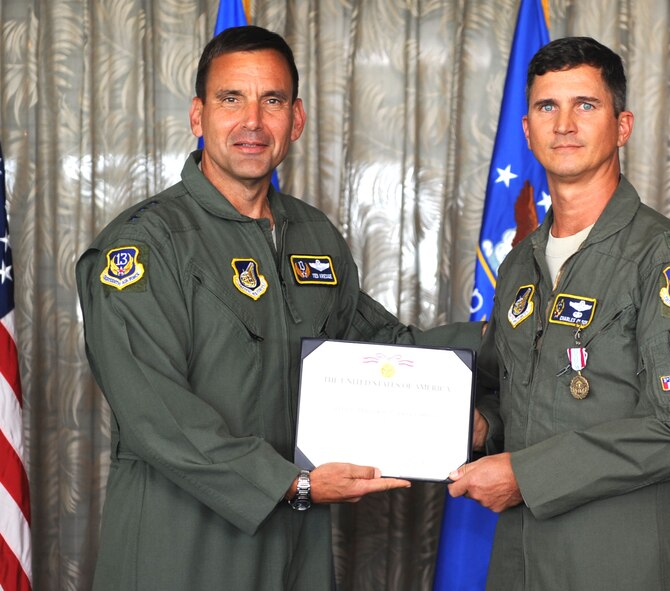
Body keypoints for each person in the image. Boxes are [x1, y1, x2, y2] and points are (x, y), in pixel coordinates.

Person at [76, 26, 481, 590]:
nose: (252, 121)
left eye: (272, 100)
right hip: (181, 544)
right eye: (230, 98)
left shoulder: (313, 235)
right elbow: (157, 417)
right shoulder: (142, 247)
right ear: (198, 116)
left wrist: (499, 348)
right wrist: (295, 485)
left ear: (296, 119)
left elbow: (379, 349)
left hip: (296, 548)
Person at [447, 37, 670, 590]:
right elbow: (530, 399)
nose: (565, 124)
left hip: (620, 562)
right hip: (520, 561)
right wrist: (486, 428)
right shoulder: (520, 265)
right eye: (547, 107)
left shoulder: (667, 261)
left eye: (586, 105)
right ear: (527, 130)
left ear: (622, 126)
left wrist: (525, 475)